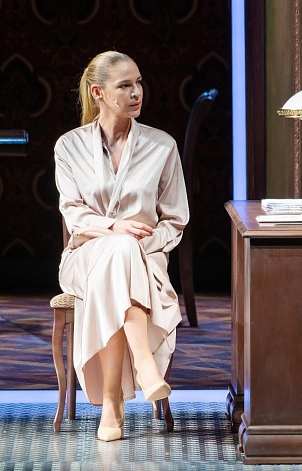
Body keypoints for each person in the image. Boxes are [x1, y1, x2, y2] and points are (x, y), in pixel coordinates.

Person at [54, 51, 189, 441]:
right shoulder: (69, 146)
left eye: (139, 83)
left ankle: (112, 404)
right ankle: (145, 367)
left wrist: (138, 245)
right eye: (125, 85)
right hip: (84, 257)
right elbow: (73, 214)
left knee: (122, 253)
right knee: (117, 249)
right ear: (98, 93)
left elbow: (175, 219)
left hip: (143, 259)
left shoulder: (161, 146)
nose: (137, 93)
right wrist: (115, 228)